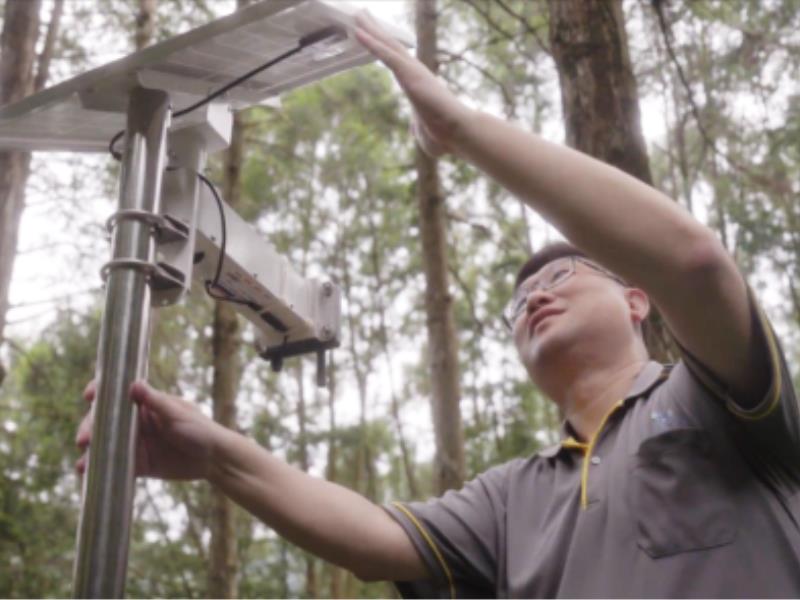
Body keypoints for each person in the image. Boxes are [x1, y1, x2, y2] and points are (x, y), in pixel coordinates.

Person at [77, 12, 800, 598]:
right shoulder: (513, 497)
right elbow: (374, 539)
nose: (536, 297)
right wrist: (215, 453)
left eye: (562, 275)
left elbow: (696, 264)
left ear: (637, 300)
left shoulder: (712, 399)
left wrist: (462, 130)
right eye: (519, 301)